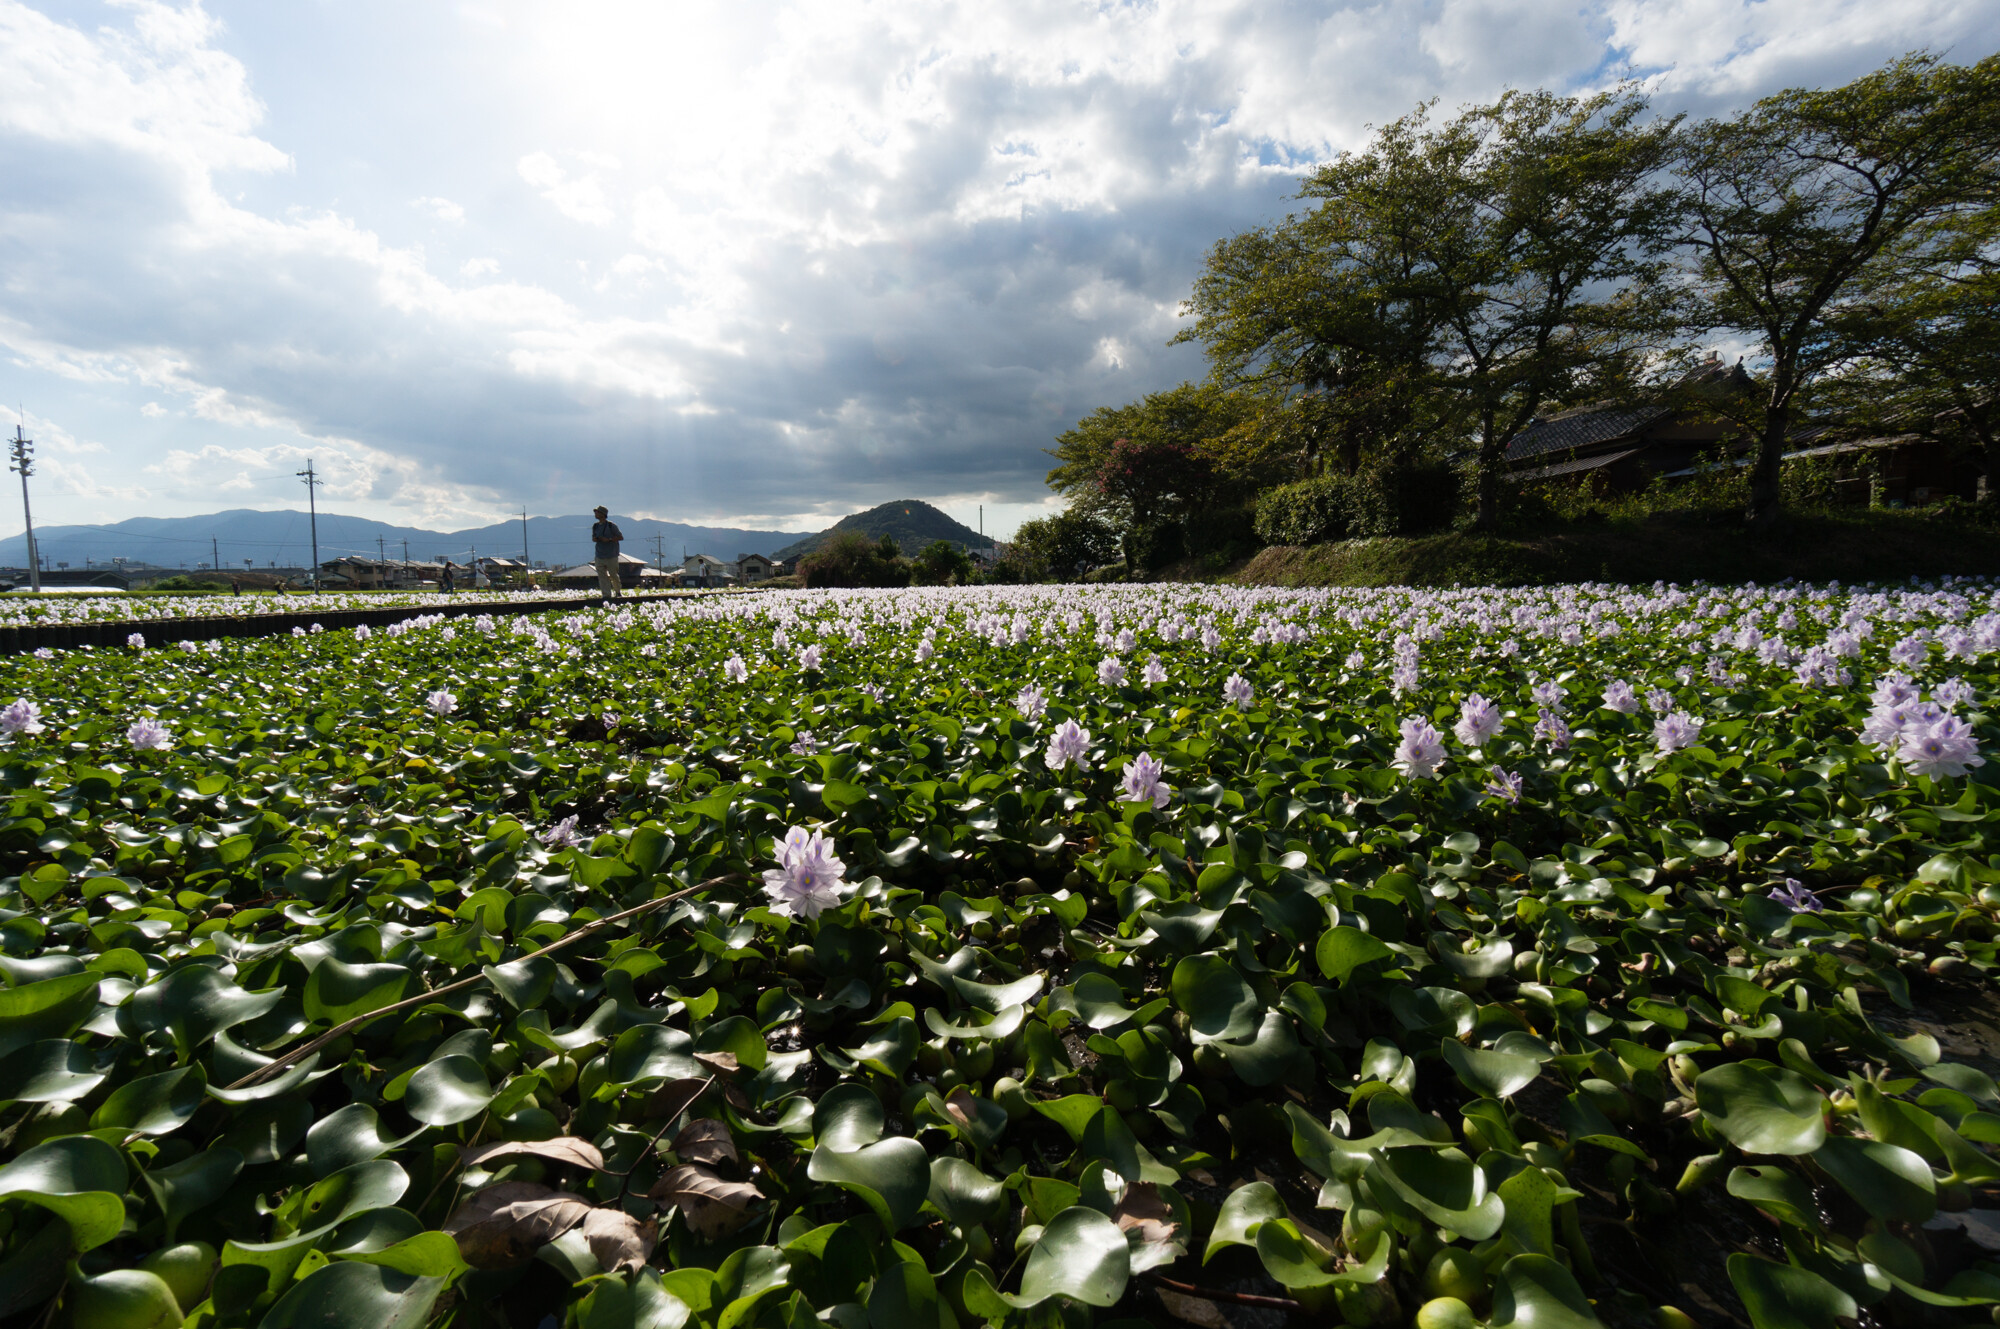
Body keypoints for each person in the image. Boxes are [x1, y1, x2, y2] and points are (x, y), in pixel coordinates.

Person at [591, 506, 625, 599]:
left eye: (597, 512)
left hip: (611, 555)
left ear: (603, 514)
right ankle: (606, 595)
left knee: (613, 575)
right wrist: (596, 539)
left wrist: (609, 539)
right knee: (602, 576)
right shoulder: (595, 526)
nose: (595, 514)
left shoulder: (611, 526)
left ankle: (617, 592)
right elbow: (593, 538)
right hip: (599, 555)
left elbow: (620, 537)